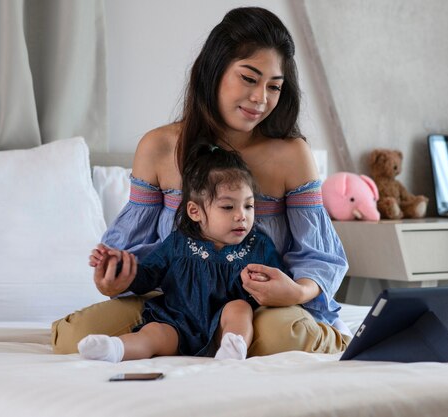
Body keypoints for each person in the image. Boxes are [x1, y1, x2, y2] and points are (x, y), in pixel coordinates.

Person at [51, 6, 351, 356]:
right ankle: (184, 338)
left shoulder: (292, 154)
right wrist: (115, 278)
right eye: (249, 78)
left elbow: (319, 256)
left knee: (286, 336)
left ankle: (316, 337)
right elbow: (137, 251)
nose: (261, 99)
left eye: (274, 87)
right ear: (214, 70)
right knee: (73, 338)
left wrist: (297, 293)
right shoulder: (159, 147)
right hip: (175, 302)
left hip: (258, 306)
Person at [78, 145, 284, 362]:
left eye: (248, 206)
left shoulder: (258, 245)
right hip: (176, 323)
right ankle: (115, 348)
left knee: (238, 308)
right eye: (227, 207)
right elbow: (148, 276)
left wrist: (266, 280)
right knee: (153, 334)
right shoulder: (178, 243)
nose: (241, 216)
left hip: (221, 330)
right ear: (195, 211)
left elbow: (280, 281)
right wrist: (119, 268)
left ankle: (233, 350)